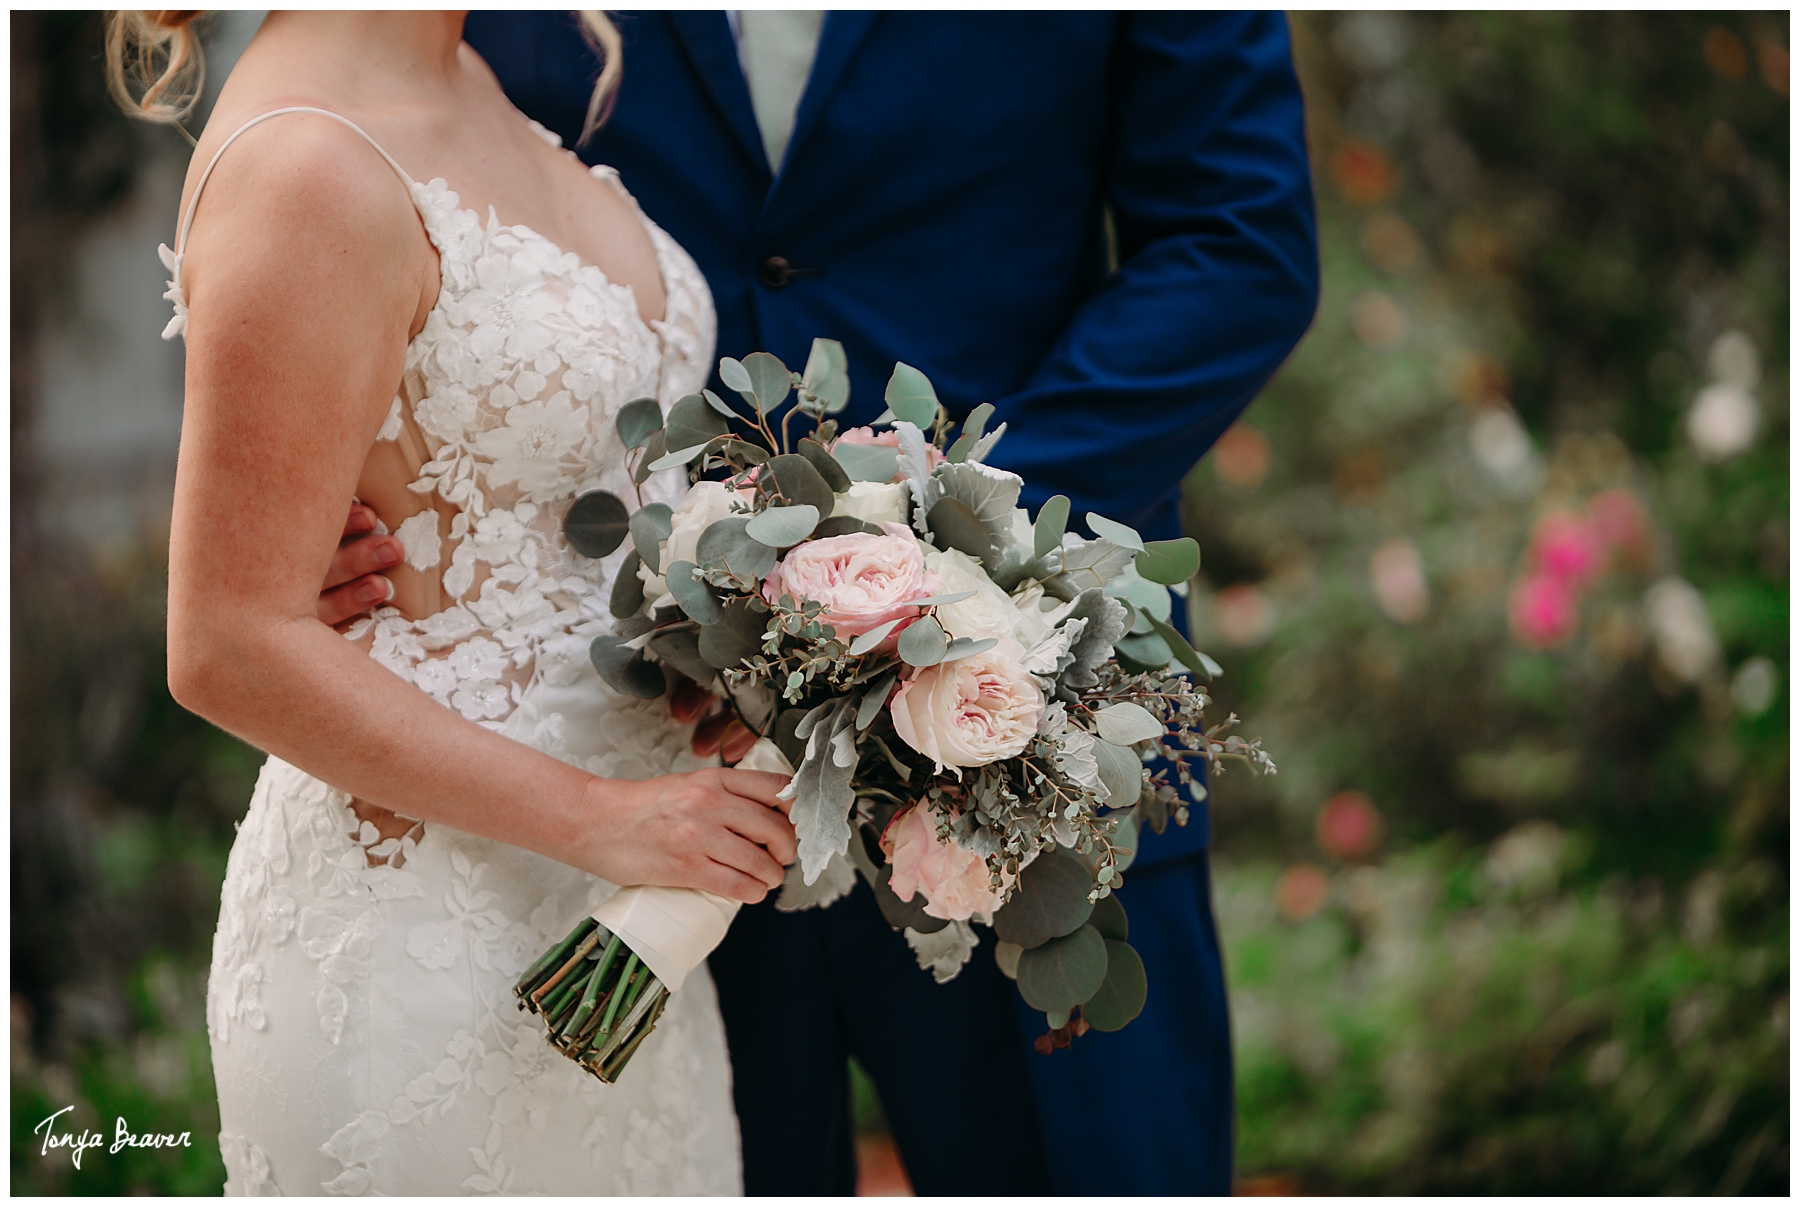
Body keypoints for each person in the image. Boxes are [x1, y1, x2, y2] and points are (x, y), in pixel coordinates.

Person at [320, 11, 1320, 1194]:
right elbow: (347, 121)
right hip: (638, 747)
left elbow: (1236, 237)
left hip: (1028, 742)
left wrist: (940, 545)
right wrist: (316, 449)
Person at [113, 10, 798, 1194]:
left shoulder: (472, 68)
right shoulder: (306, 162)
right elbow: (225, 641)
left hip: (628, 920)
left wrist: (724, 656)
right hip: (429, 944)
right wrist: (599, 817)